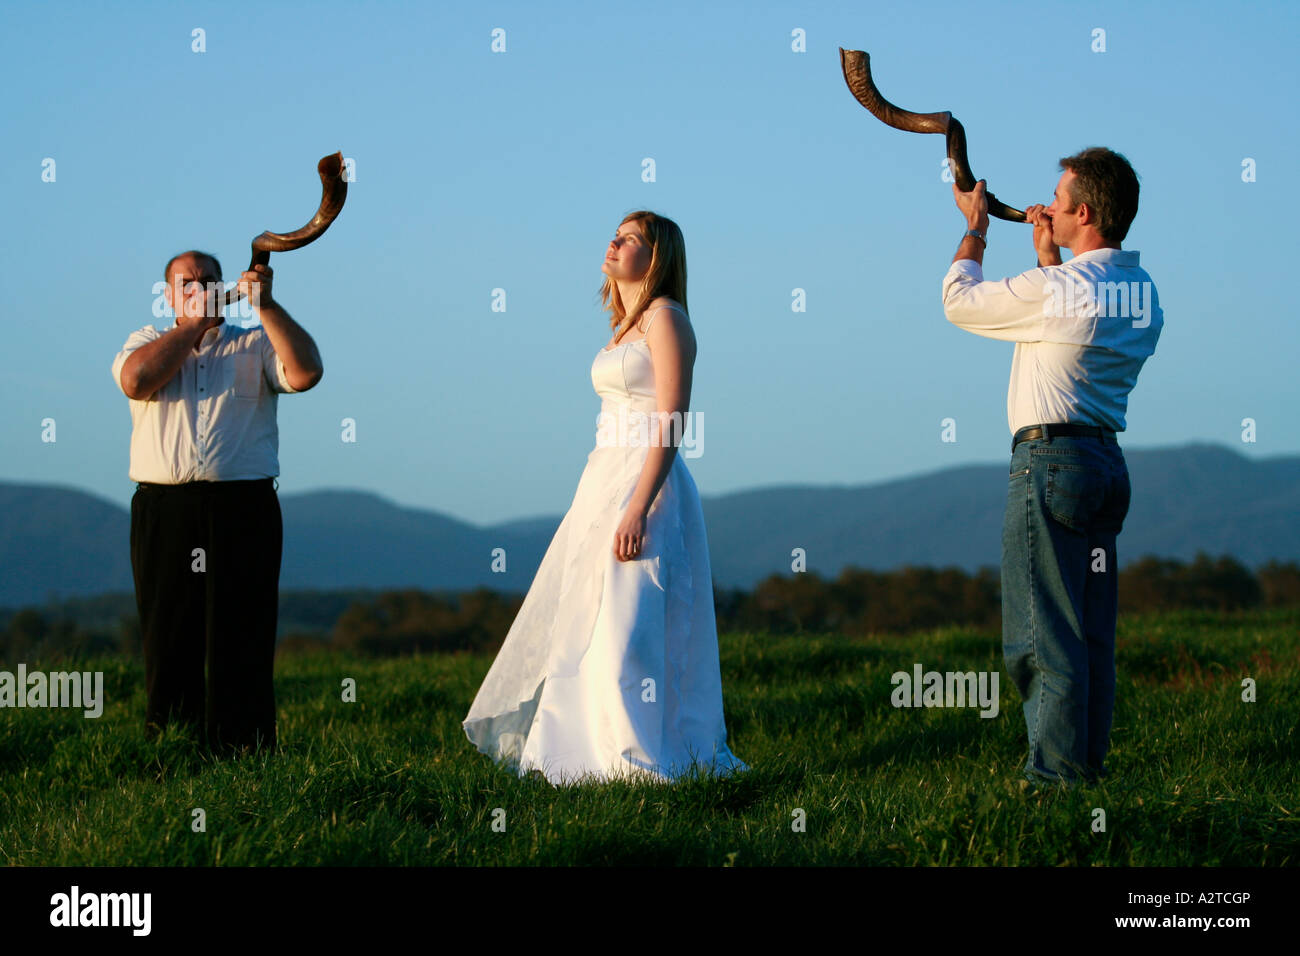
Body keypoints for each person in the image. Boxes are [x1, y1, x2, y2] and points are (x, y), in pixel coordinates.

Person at [463, 211, 748, 785]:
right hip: (601, 479)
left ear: (658, 257)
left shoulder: (667, 319)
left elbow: (671, 420)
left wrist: (639, 506)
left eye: (631, 239)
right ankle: (575, 757)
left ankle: (639, 759)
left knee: (629, 629)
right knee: (585, 623)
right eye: (615, 234)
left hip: (648, 485)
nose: (614, 242)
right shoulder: (623, 329)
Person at [941, 148, 1163, 788]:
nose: (1048, 205)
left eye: (1058, 200)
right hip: (1102, 465)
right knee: (1089, 635)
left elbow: (960, 301)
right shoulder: (1139, 291)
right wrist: (1048, 256)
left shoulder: (1067, 290)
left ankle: (1056, 785)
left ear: (1084, 212)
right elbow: (1064, 335)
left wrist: (975, 226)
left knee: (1043, 637)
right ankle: (1084, 771)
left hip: (1049, 466)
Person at [111, 251, 323, 754]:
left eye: (209, 280)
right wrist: (193, 326)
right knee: (168, 635)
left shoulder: (254, 342)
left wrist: (266, 307)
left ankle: (244, 754)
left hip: (243, 510)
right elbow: (136, 381)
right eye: (187, 283)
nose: (200, 288)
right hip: (165, 511)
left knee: (243, 635)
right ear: (168, 296)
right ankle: (172, 751)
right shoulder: (145, 341)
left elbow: (307, 372)